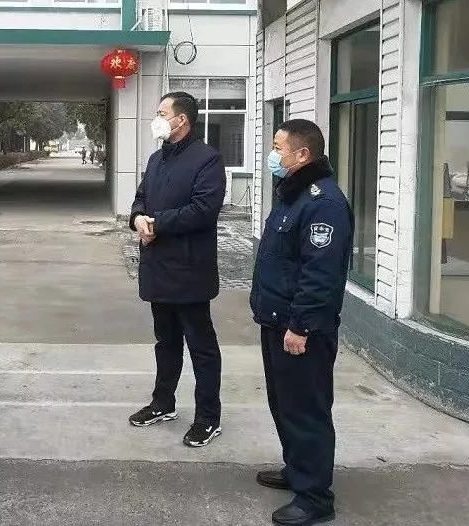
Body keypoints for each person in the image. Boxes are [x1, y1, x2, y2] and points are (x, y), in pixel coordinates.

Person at [249, 119, 353, 525]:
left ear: (303, 154)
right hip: (277, 319)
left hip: (300, 328)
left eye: (279, 148)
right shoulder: (292, 194)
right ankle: (297, 470)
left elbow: (320, 274)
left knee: (307, 410)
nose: (273, 154)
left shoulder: (323, 202)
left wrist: (301, 326)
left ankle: (315, 497)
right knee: (285, 404)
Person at [128, 91, 226, 448]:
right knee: (165, 342)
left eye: (161, 112)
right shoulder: (157, 159)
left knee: (202, 347)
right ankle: (162, 403)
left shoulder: (207, 159)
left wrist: (157, 224)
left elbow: (204, 209)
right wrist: (138, 218)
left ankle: (208, 418)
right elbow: (140, 198)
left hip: (189, 271)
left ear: (181, 119)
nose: (156, 119)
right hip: (157, 267)